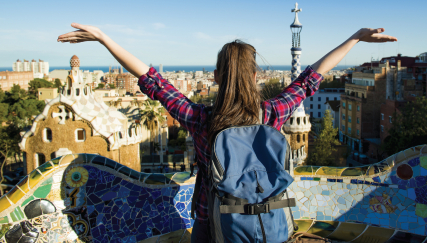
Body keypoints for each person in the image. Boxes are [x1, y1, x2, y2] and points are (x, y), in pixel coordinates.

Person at [58, 23, 397, 242]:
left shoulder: (201, 120)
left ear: (217, 77)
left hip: (213, 220)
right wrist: (355, 37)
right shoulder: (271, 114)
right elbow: (312, 78)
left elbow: (153, 81)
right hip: (270, 220)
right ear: (255, 77)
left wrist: (104, 38)